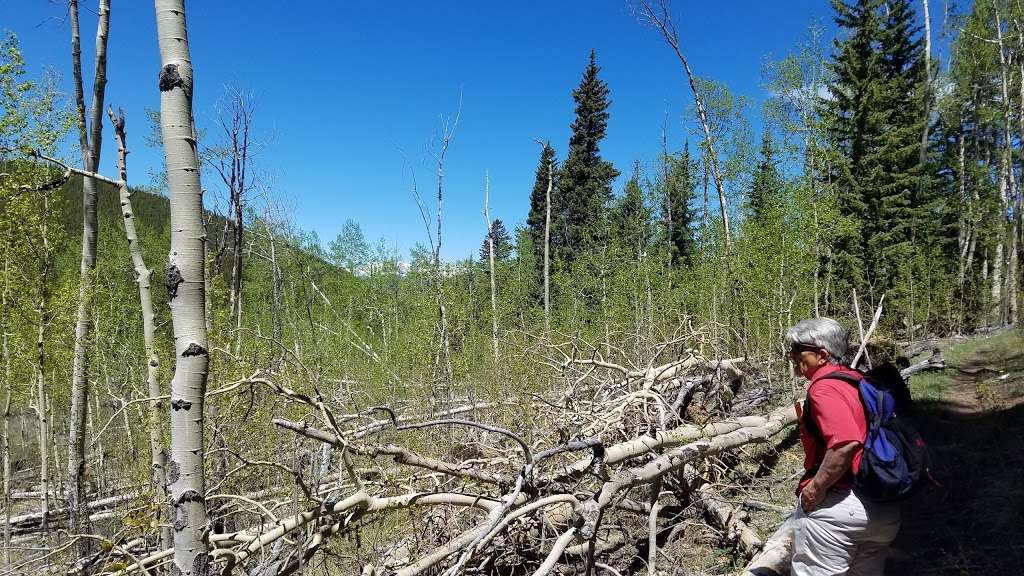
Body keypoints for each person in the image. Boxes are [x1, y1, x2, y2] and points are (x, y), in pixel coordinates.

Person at [786, 317, 901, 575]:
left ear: (822, 355)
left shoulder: (824, 389)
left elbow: (845, 442)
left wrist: (815, 490)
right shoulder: (856, 380)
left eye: (797, 350)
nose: (792, 355)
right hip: (881, 508)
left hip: (840, 512)